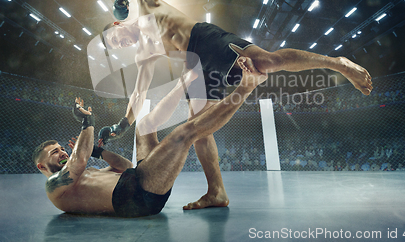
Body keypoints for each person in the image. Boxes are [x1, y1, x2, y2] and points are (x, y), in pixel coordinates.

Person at [99, 0, 373, 210]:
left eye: (117, 38)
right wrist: (122, 124)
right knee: (200, 127)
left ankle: (337, 62)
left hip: (206, 40)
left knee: (267, 62)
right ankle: (216, 192)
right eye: (117, 46)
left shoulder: (148, 5)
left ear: (117, 23)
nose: (122, 43)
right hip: (195, 66)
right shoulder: (143, 54)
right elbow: (138, 94)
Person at [33, 57, 267, 217]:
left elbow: (125, 166)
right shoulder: (54, 186)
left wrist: (98, 151)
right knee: (183, 134)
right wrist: (87, 121)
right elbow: (79, 160)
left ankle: (184, 83)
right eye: (55, 152)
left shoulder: (86, 174)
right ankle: (247, 87)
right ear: (41, 165)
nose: (62, 152)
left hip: (136, 179)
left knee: (144, 125)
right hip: (139, 199)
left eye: (61, 148)